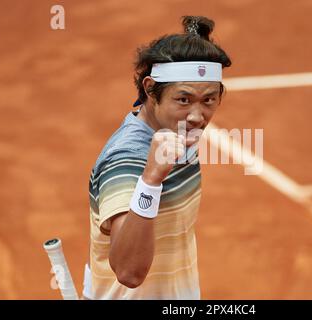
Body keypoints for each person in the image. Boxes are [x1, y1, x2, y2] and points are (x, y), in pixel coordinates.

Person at [85, 15, 232, 299]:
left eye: (209, 100)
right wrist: (151, 180)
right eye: (183, 100)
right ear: (151, 90)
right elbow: (129, 273)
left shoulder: (178, 131)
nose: (197, 116)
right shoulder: (127, 158)